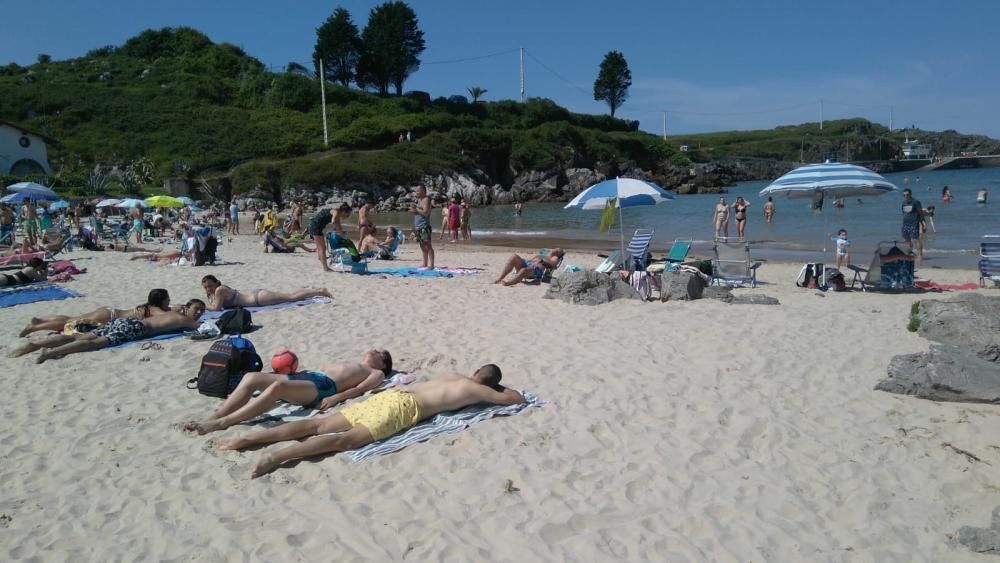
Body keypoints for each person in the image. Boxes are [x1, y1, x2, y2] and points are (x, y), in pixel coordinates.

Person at [215, 365, 523, 479]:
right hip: (404, 408)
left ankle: (250, 439)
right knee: (343, 441)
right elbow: (516, 398)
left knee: (317, 426)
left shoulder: (454, 376)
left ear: (475, 370)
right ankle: (275, 456)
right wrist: (497, 388)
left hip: (388, 397)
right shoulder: (475, 389)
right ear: (487, 382)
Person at [183, 350, 393, 434]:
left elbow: (361, 389)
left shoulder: (376, 373)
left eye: (378, 352)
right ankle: (216, 415)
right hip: (309, 377)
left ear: (383, 363)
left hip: (323, 387)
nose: (372, 351)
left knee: (277, 387)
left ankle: (223, 423)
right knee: (251, 378)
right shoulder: (353, 362)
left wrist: (336, 397)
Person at [9, 300, 205, 363]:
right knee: (93, 344)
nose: (198, 314)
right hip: (134, 328)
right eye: (196, 309)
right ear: (188, 308)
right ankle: (50, 353)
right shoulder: (185, 319)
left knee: (84, 336)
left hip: (123, 321)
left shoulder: (171, 310)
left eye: (201, 312)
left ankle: (34, 344)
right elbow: (206, 328)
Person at [19, 288, 173, 336]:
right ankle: (34, 328)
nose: (169, 302)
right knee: (69, 323)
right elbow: (169, 317)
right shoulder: (155, 310)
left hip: (109, 311)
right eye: (168, 299)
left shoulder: (147, 306)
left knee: (72, 318)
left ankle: (40, 321)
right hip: (108, 317)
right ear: (162, 300)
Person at [201, 274, 331, 311]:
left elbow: (216, 308)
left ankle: (319, 291)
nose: (208, 289)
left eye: (209, 286)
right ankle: (313, 289)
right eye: (206, 287)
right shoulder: (219, 289)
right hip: (257, 296)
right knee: (288, 294)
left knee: (291, 297)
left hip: (259, 299)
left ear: (216, 283)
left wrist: (203, 304)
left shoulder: (219, 290)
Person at [308, 203, 352, 273]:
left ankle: (322, 262)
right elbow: (334, 221)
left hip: (314, 225)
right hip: (315, 227)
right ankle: (325, 268)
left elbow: (338, 225)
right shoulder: (336, 212)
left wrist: (341, 232)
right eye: (347, 215)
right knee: (322, 248)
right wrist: (342, 234)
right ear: (343, 211)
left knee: (321, 248)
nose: (347, 216)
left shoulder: (336, 212)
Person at [494, 249, 564, 286]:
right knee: (514, 256)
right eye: (556, 249)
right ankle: (500, 278)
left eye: (558, 251)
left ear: (558, 254)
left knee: (524, 270)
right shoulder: (545, 253)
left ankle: (509, 283)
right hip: (527, 263)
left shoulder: (555, 258)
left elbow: (552, 266)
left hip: (536, 269)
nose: (556, 249)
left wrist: (542, 262)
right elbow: (529, 258)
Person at [410, 185, 434, 269]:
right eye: (416, 191)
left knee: (427, 245)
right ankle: (425, 263)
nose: (416, 192)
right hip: (418, 226)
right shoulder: (419, 200)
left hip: (425, 226)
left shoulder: (426, 199)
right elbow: (417, 213)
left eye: (418, 191)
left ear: (423, 191)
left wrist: (416, 209)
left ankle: (431, 265)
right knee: (422, 246)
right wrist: (413, 210)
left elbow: (426, 212)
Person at [901, 188, 923, 264]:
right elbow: (903, 213)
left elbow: (920, 213)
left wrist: (921, 223)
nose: (906, 196)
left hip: (914, 224)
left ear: (910, 194)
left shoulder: (916, 202)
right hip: (905, 224)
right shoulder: (903, 203)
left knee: (916, 240)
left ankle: (920, 255)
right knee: (907, 240)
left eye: (907, 195)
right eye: (904, 195)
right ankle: (909, 254)